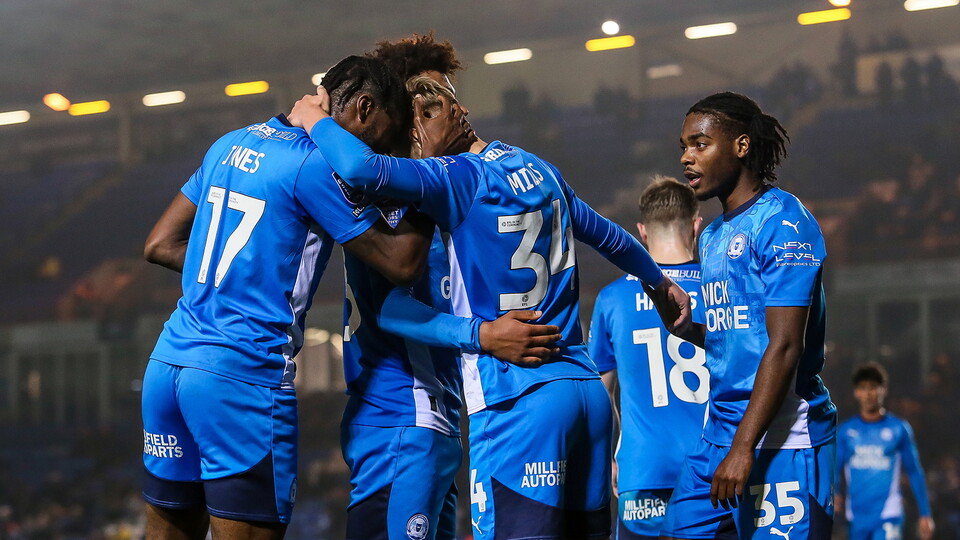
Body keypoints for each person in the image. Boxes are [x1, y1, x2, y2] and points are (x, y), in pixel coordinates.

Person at [288, 77, 691, 540]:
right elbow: (608, 235)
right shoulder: (539, 168)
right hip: (587, 395)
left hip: (519, 398)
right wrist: (660, 283)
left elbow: (361, 168)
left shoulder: (455, 177)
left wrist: (312, 117)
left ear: (452, 114)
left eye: (419, 121)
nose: (412, 140)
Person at [140, 56, 434, 540]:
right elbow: (402, 262)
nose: (385, 151)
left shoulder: (229, 143)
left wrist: (243, 274)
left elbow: (160, 244)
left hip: (169, 366)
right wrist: (428, 171)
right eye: (388, 133)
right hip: (241, 377)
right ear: (364, 108)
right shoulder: (316, 165)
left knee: (169, 529)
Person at [334, 39, 561, 540]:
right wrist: (484, 336)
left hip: (436, 420)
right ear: (406, 117)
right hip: (400, 417)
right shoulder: (391, 201)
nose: (458, 113)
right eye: (436, 103)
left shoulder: (447, 197)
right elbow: (388, 308)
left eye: (454, 99)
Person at [660, 92, 837, 540]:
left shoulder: (785, 222)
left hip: (781, 441)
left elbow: (785, 345)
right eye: (684, 146)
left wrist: (744, 448)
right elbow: (741, 337)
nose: (686, 157)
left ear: (741, 146)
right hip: (718, 437)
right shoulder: (714, 234)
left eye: (700, 144)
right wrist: (691, 329)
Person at [587, 176, 708, 540]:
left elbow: (598, 394)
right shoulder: (721, 290)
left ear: (641, 231)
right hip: (717, 468)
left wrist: (606, 459)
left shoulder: (612, 299)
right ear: (696, 224)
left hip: (642, 468)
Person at [836, 362, 934, 540]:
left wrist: (925, 513)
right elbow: (835, 467)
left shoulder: (899, 429)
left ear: (883, 390)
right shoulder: (846, 431)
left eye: (873, 387)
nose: (868, 394)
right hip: (856, 516)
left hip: (889, 514)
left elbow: (914, 471)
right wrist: (834, 493)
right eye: (863, 388)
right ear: (856, 392)